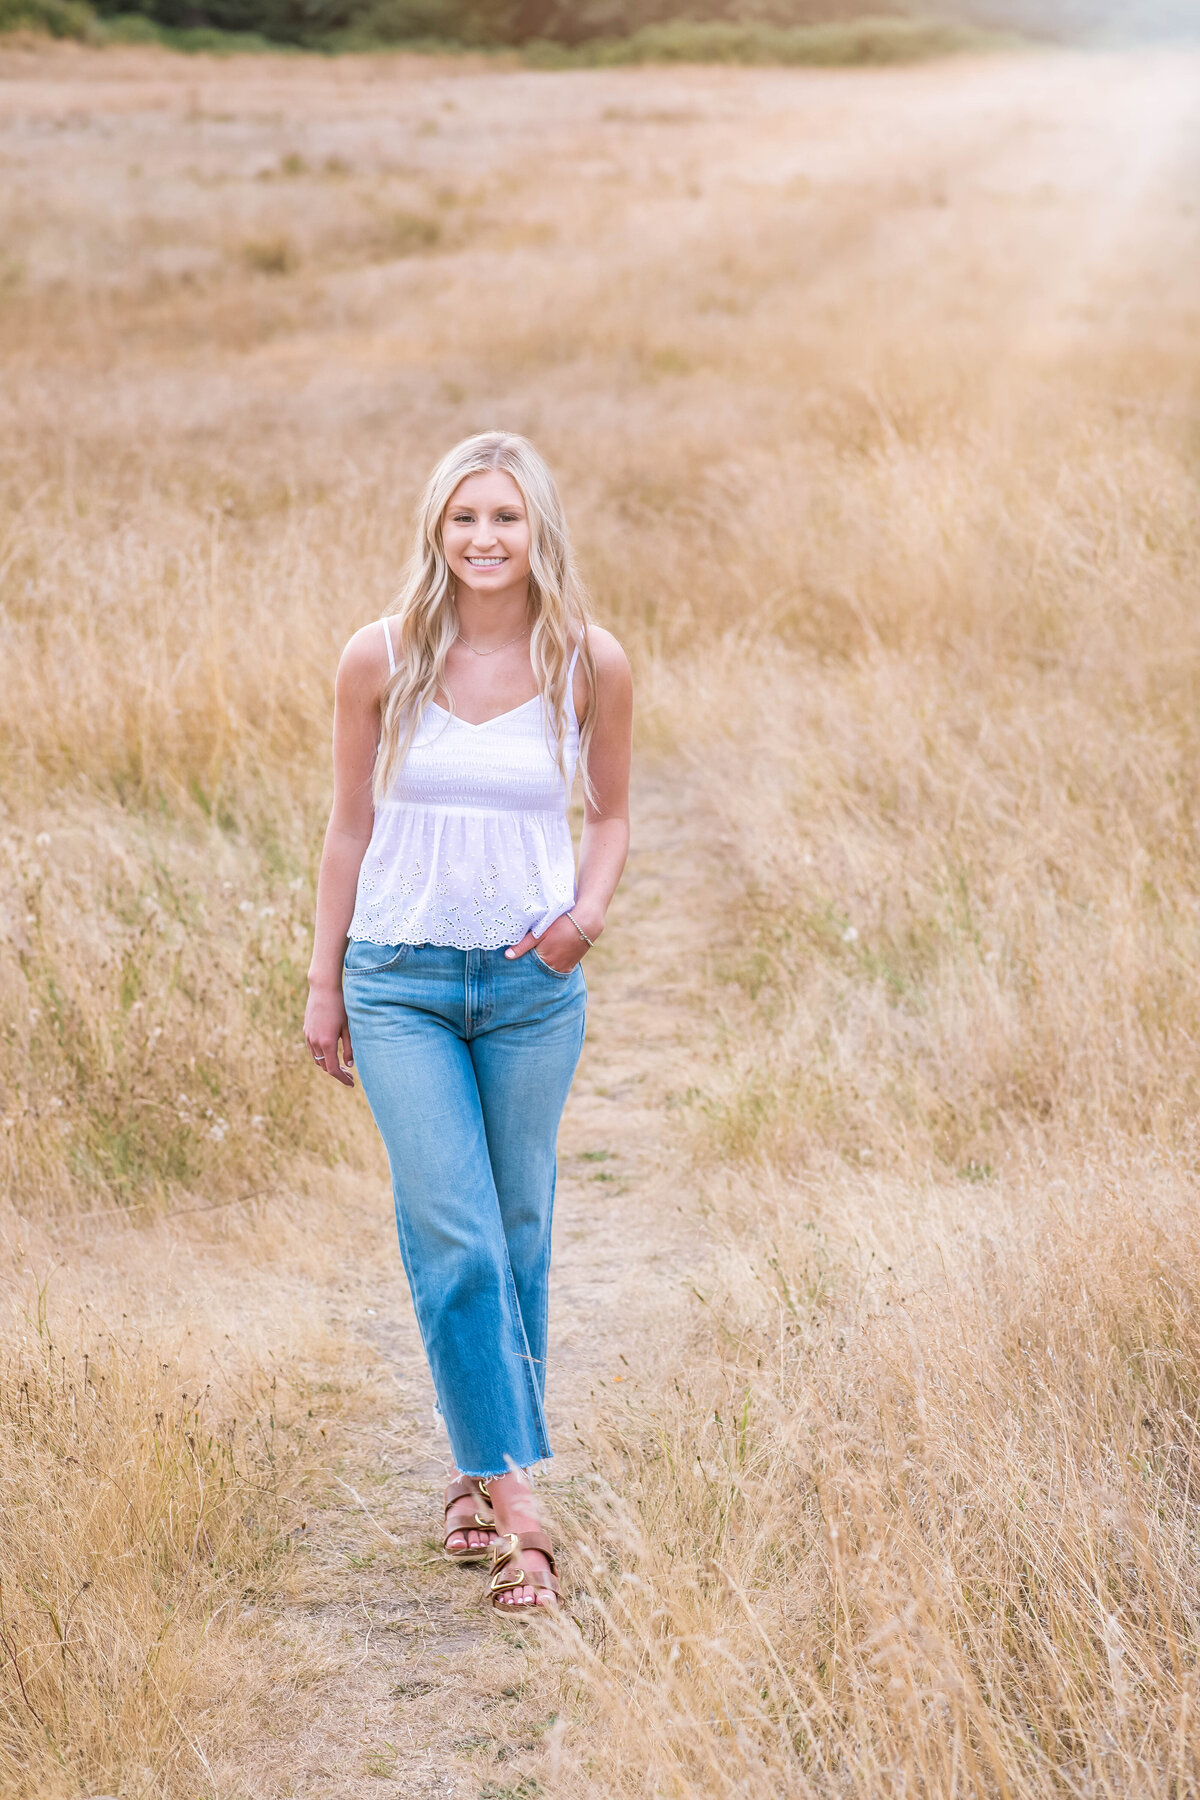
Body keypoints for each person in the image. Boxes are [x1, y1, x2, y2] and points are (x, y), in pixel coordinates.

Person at [304, 431, 632, 1614]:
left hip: (533, 987)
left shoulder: (588, 661)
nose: (485, 539)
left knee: (519, 1231)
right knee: (455, 1230)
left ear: (538, 528)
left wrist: (584, 920)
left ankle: (471, 1467)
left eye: (505, 517)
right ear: (435, 532)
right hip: (399, 979)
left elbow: (608, 816)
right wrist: (325, 981)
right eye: (463, 519)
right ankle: (523, 1503)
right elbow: (349, 826)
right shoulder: (379, 657)